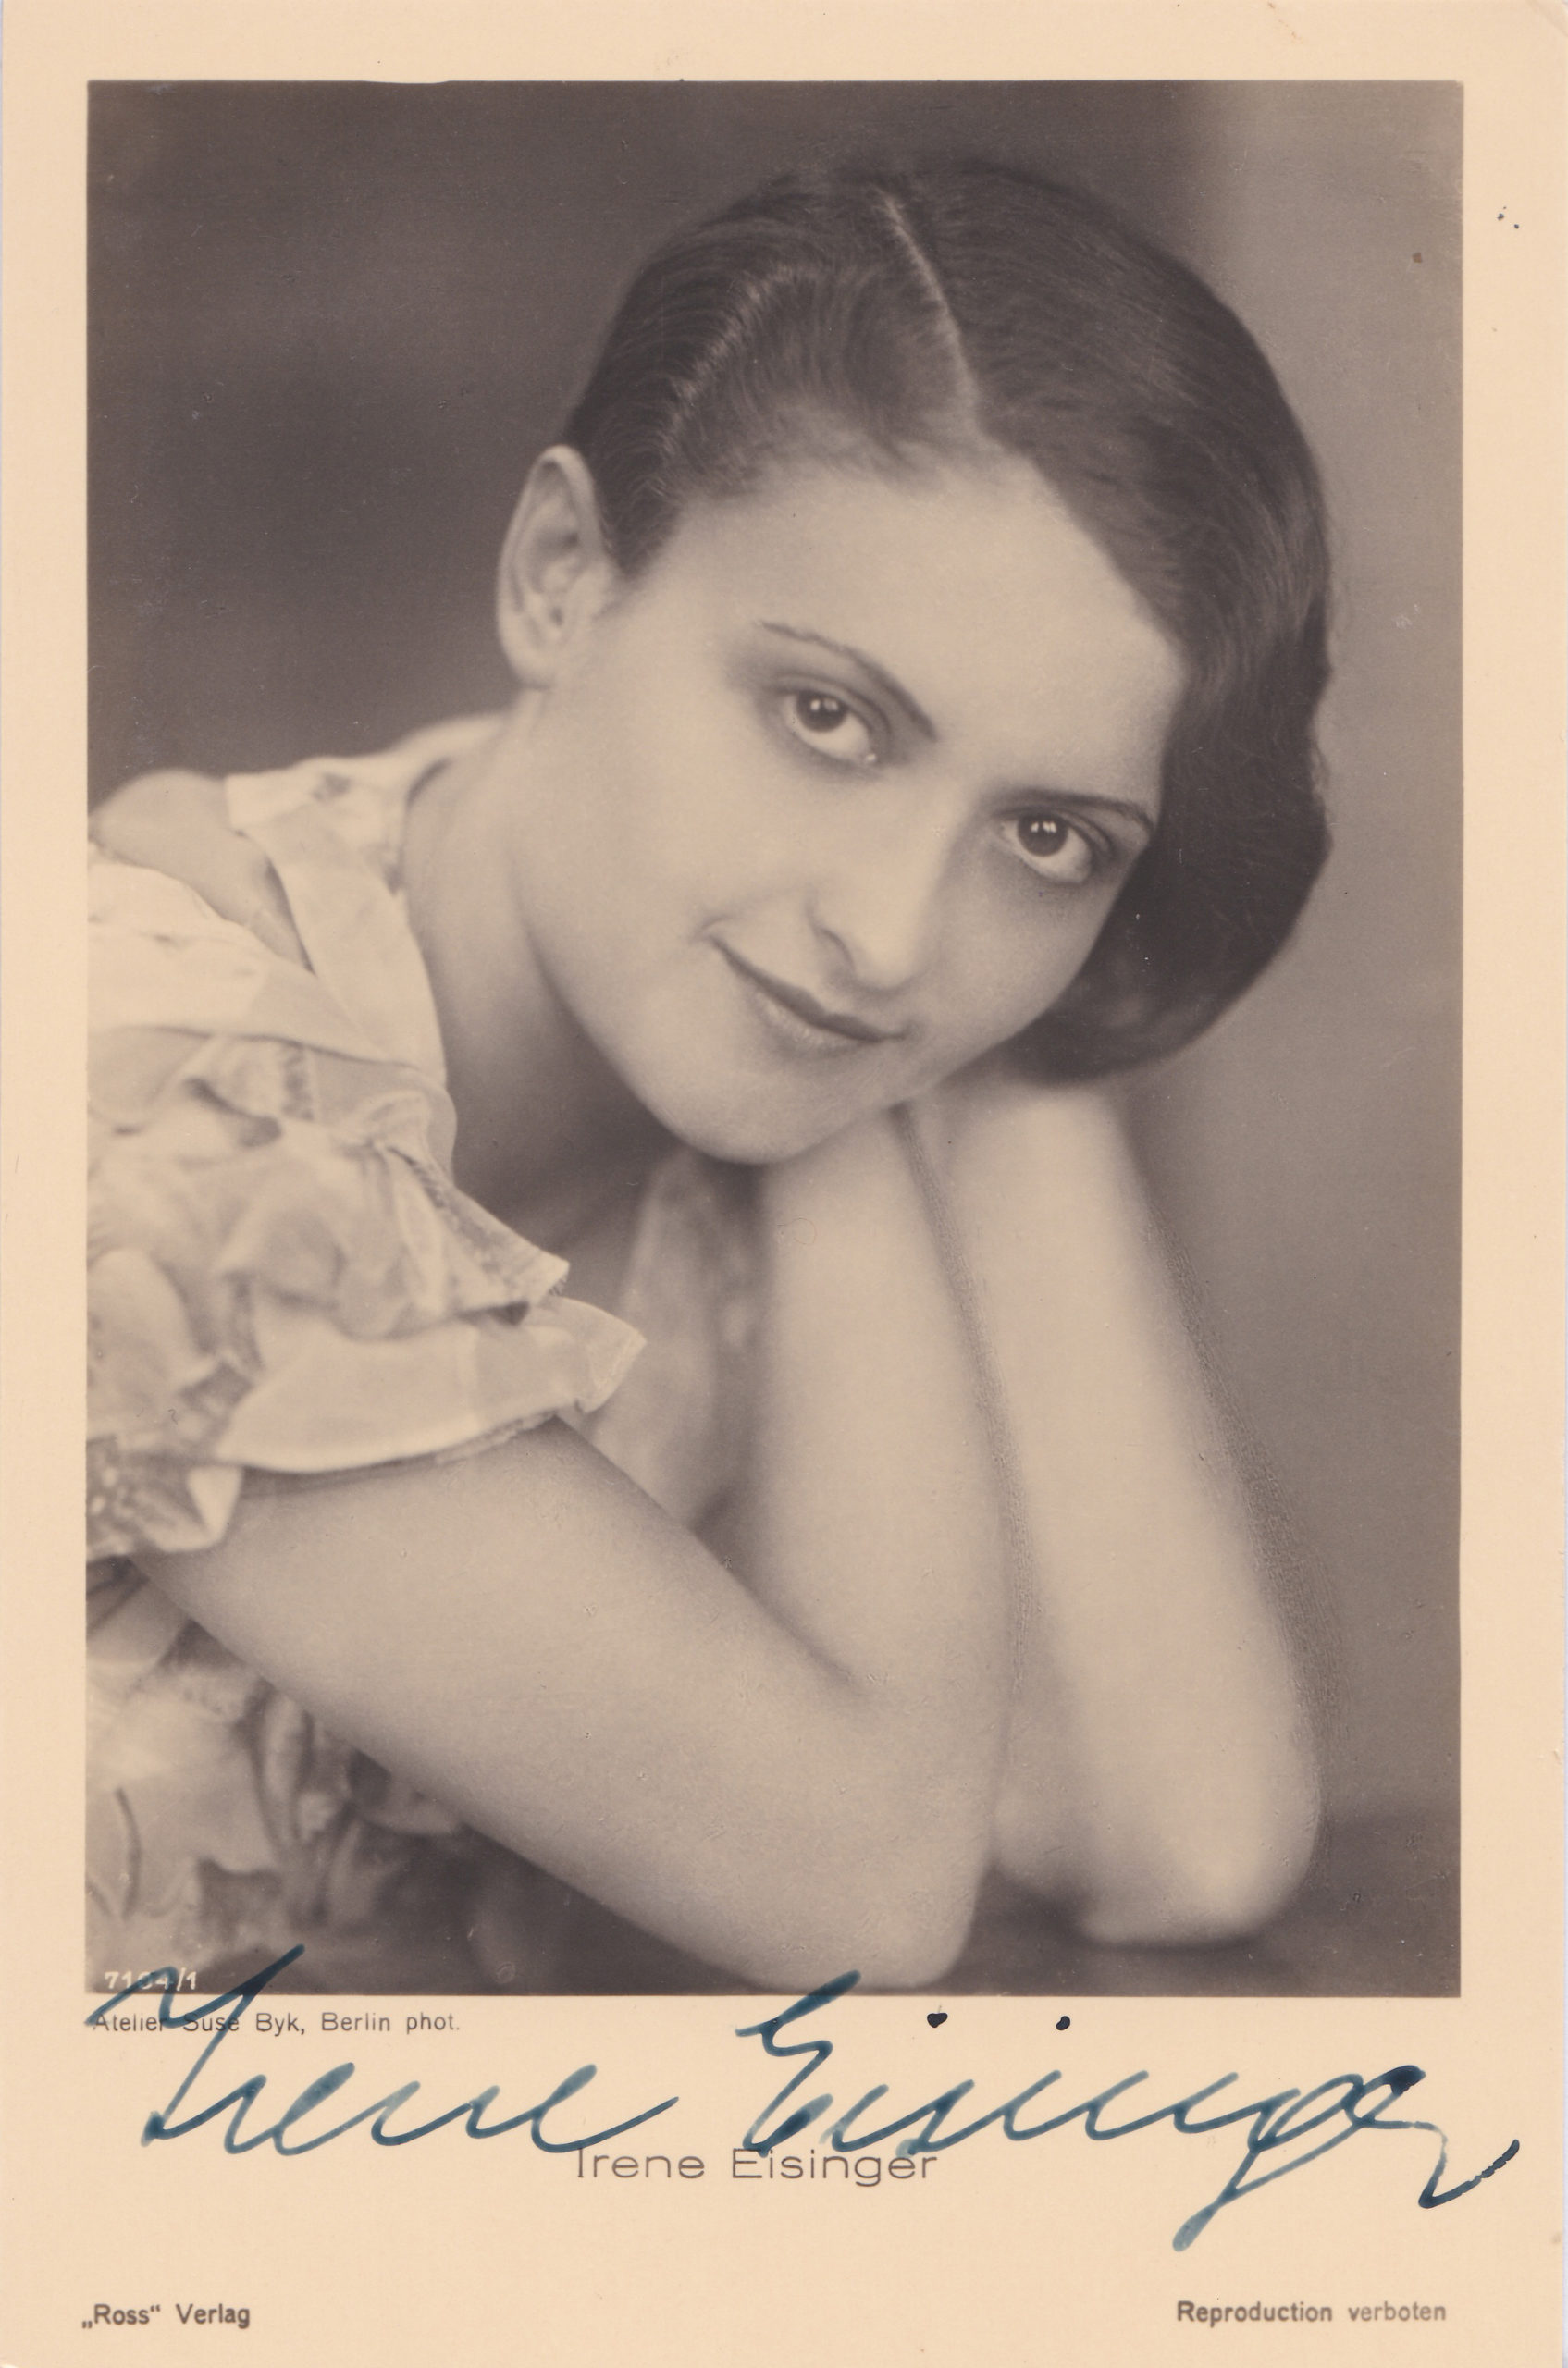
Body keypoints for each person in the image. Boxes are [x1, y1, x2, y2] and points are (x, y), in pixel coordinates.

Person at [87, 158, 1331, 1996]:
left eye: (1048, 835)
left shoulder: (735, 1086)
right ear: (561, 579)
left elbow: (1177, 1830)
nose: (891, 931)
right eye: (827, 716)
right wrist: (866, 1049)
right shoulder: (154, 1086)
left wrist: (920, 1065)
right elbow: (864, 1889)